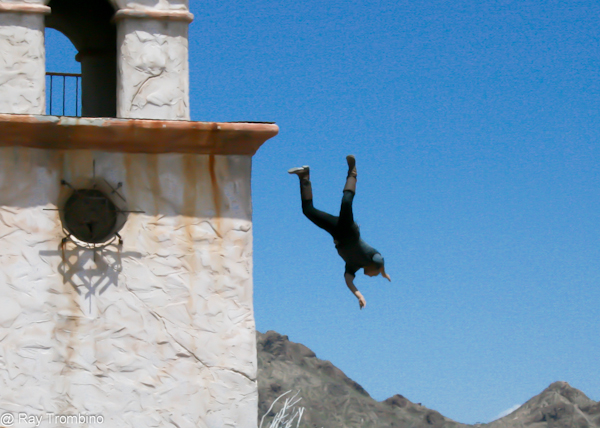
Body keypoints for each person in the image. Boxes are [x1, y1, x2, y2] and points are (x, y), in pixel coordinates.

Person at [288, 155, 391, 309]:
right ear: (374, 268)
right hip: (349, 229)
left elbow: (348, 281)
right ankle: (352, 172)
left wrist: (359, 296)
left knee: (308, 211)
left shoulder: (352, 266)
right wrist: (383, 273)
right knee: (346, 201)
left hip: (336, 231)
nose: (371, 276)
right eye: (374, 275)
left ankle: (304, 176)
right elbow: (381, 261)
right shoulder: (372, 258)